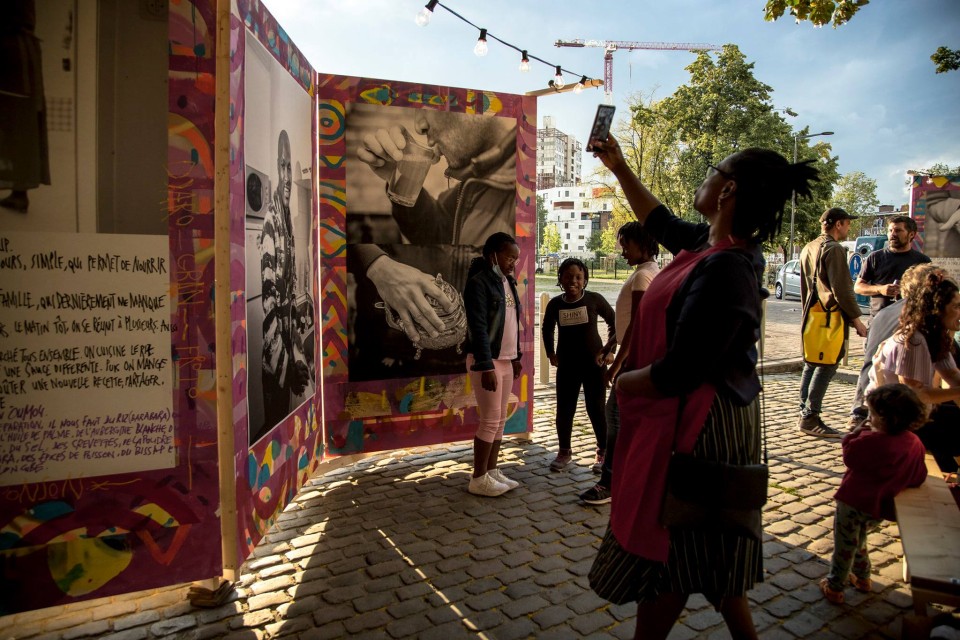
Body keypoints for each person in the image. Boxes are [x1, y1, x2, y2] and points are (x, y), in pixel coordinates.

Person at [589, 135, 819, 640]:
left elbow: (680, 371)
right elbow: (659, 220)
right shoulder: (707, 244)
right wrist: (619, 166)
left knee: (677, 548)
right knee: (709, 551)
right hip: (686, 417)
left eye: (713, 170)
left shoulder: (729, 268)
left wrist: (623, 382)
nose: (704, 178)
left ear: (728, 189)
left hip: (703, 430)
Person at [348, 109, 517, 381]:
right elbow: (436, 231)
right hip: (393, 360)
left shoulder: (520, 185)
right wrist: (397, 178)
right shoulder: (469, 187)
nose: (419, 124)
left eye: (430, 106)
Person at [819, 383, 928, 605]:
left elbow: (850, 455)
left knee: (844, 544)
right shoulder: (914, 442)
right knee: (858, 540)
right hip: (879, 507)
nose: (869, 418)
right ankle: (863, 577)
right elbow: (919, 475)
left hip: (853, 503)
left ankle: (835, 586)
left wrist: (854, 434)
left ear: (886, 418)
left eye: (872, 414)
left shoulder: (873, 441)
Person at [580, 222, 660, 505]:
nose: (622, 251)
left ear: (643, 243)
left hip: (634, 360)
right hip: (636, 358)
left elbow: (638, 326)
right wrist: (609, 344)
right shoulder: (648, 272)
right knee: (624, 419)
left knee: (614, 416)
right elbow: (627, 324)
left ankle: (609, 482)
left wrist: (615, 367)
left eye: (626, 245)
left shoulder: (643, 277)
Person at [868, 271, 960, 476]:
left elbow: (954, 376)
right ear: (937, 309)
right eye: (956, 307)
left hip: (915, 416)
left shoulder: (935, 335)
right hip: (894, 423)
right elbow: (917, 395)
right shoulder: (914, 340)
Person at [847, 263, 945, 430]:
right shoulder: (921, 322)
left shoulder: (884, 313)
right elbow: (915, 389)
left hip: (873, 397)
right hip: (894, 411)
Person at [797, 208, 868, 438]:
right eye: (847, 223)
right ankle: (810, 417)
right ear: (838, 224)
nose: (849, 228)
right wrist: (857, 321)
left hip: (812, 315)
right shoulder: (834, 248)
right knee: (827, 364)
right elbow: (842, 290)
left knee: (811, 362)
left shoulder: (809, 247)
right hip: (830, 317)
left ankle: (804, 412)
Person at [462, 232, 523, 497]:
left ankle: (491, 470)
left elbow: (512, 323)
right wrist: (485, 366)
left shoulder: (508, 282)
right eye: (509, 257)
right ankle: (478, 478)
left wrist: (516, 356)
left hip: (506, 360)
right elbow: (478, 328)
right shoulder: (479, 283)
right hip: (487, 362)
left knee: (499, 420)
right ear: (493, 255)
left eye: (516, 258)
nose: (513, 263)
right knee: (489, 419)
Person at [542, 258, 615, 472]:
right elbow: (547, 328)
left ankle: (603, 451)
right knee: (565, 409)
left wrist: (610, 350)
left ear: (585, 280)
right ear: (560, 279)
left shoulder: (594, 299)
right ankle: (564, 451)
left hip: (594, 366)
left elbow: (614, 322)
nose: (573, 281)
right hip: (567, 366)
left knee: (596, 409)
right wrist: (550, 353)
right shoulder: (556, 304)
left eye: (578, 277)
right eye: (568, 277)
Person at [259, 130, 310, 437]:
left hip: (287, 353)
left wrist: (296, 356)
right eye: (283, 166)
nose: (288, 176)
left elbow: (288, 299)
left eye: (290, 167)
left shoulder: (286, 219)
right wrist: (286, 365)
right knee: (276, 430)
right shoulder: (271, 221)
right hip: (274, 361)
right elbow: (269, 308)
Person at [0, 0, 49, 213]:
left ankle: (19, 194)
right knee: (21, 123)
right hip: (22, 50)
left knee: (17, 122)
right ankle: (19, 194)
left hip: (11, 48)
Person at [854, 215, 930, 316]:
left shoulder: (922, 261)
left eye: (898, 231)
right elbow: (858, 287)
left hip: (910, 319)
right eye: (890, 231)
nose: (893, 234)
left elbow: (930, 291)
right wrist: (880, 289)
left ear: (911, 234)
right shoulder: (875, 257)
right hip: (880, 319)